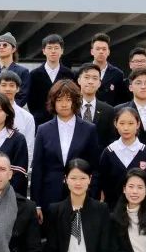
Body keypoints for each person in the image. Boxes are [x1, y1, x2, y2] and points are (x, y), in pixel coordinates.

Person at [30, 80, 100, 218]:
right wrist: (36, 204)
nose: (64, 104)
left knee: (77, 231)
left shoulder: (89, 129)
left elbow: (95, 168)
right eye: (59, 100)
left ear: (75, 101)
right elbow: (38, 168)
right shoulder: (43, 130)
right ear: (53, 102)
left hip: (80, 194)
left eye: (68, 99)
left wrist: (93, 197)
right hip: (50, 195)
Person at [98, 106, 146, 210]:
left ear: (138, 124)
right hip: (113, 210)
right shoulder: (109, 152)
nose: (126, 128)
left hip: (141, 211)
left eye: (130, 123)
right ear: (115, 124)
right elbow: (101, 183)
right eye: (122, 123)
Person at [28, 34, 75, 126]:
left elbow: (73, 98)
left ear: (62, 51)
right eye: (49, 48)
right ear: (43, 51)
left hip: (64, 120)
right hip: (40, 122)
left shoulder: (69, 74)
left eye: (56, 48)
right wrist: (38, 115)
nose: (53, 51)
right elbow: (31, 101)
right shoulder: (34, 74)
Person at [0, 70, 36, 167]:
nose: (7, 89)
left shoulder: (27, 117)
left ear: (18, 89)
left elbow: (29, 147)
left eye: (12, 85)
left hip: (17, 167)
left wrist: (24, 170)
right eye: (4, 85)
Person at [0, 32, 30, 108]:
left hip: (14, 112)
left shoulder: (23, 72)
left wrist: (7, 109)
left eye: (5, 45)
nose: (1, 47)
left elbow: (23, 96)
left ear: (13, 49)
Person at [75, 63, 116, 149]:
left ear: (99, 83)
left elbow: (112, 140)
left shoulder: (109, 111)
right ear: (79, 80)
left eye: (95, 78)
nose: (90, 81)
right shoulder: (70, 107)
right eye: (86, 77)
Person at [89, 33, 127, 106]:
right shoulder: (83, 71)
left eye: (104, 49)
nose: (101, 52)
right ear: (92, 52)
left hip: (110, 111)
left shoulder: (117, 74)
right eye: (97, 49)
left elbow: (121, 100)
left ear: (108, 52)